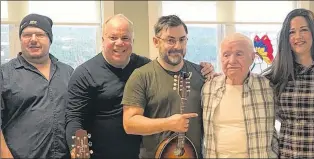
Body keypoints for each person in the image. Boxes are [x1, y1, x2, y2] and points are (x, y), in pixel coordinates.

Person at [65, 14, 214, 159]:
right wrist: (76, 147)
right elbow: (74, 117)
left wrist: (207, 70)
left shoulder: (144, 65)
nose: (119, 43)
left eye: (125, 38)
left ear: (132, 40)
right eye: (113, 37)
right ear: (102, 39)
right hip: (102, 152)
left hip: (140, 151)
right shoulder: (85, 73)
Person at [263, 8, 314, 158]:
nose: (298, 36)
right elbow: (245, 83)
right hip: (289, 154)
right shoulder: (276, 75)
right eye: (291, 32)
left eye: (304, 30)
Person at [122, 15, 207, 158]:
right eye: (170, 40)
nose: (178, 46)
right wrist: (168, 123)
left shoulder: (201, 73)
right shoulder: (141, 76)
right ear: (156, 42)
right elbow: (129, 124)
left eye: (182, 40)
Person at [0, 13, 73, 159]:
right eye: (27, 35)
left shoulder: (68, 72)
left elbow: (76, 114)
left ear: (50, 39)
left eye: (40, 34)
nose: (33, 40)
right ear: (20, 39)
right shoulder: (4, 74)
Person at [201, 33, 276, 158]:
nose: (232, 61)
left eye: (239, 54)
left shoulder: (267, 87)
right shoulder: (208, 88)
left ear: (252, 58)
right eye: (226, 55)